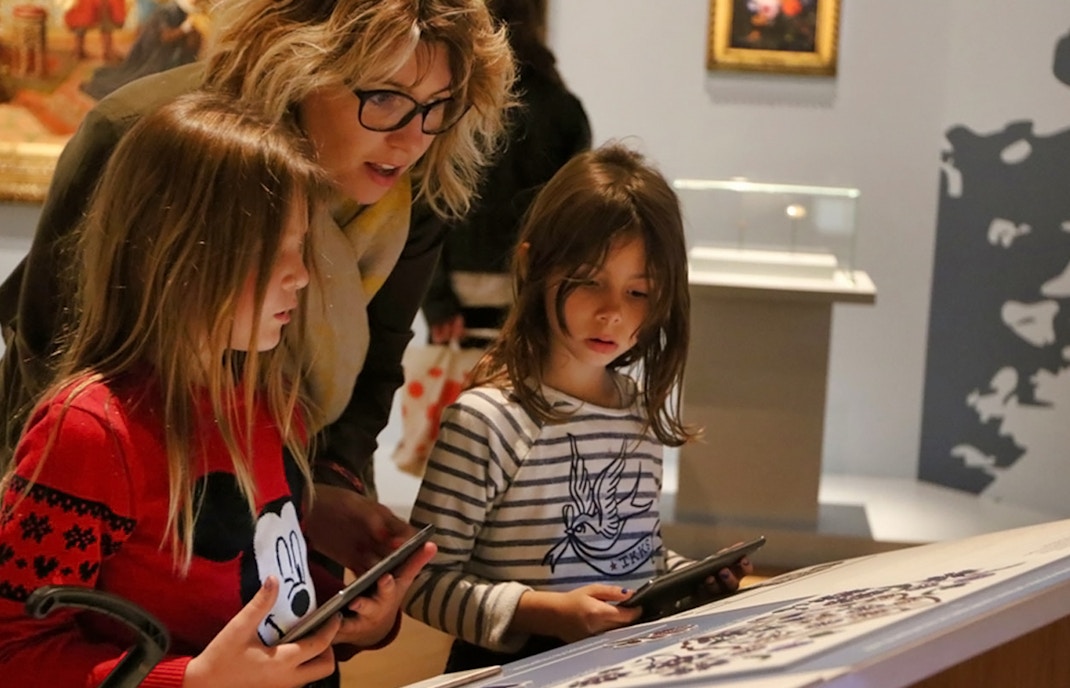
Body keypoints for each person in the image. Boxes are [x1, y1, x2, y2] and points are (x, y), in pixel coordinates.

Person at [0, 0, 515, 576]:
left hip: (291, 494)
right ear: (296, 65)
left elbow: (375, 365)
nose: (412, 139)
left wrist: (327, 490)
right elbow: (54, 358)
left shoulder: (414, 186)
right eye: (385, 98)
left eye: (439, 105)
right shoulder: (147, 133)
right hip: (121, 507)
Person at [0, 92, 435, 687]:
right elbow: (13, 649)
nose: (302, 275)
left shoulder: (268, 401)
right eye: (277, 251)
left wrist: (357, 619)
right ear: (181, 254)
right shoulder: (91, 432)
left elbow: (258, 583)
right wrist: (189, 680)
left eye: (302, 247)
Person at [403, 144, 754, 671]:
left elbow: (636, 558)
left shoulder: (637, 411)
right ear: (534, 265)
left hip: (618, 669)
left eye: (639, 292)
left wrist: (691, 580)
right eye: (590, 281)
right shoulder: (486, 421)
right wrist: (543, 613)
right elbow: (421, 583)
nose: (613, 312)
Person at [420, 0, 591, 348]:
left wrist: (435, 299)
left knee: (455, 384)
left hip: (453, 286)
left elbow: (424, 199)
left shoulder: (455, 99)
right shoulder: (563, 109)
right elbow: (574, 222)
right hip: (529, 287)